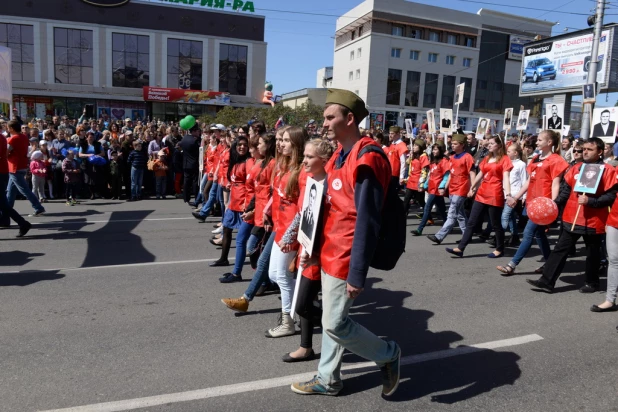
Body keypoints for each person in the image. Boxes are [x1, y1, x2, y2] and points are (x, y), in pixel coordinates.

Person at [291, 89, 400, 398]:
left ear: (349, 119)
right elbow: (326, 205)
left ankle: (388, 353)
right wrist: (311, 251)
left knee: (336, 324)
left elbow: (367, 219)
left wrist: (357, 272)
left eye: (330, 117)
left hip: (345, 253)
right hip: (328, 249)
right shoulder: (340, 152)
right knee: (330, 320)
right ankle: (329, 378)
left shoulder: (368, 157)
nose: (323, 124)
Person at [526, 137, 617, 293]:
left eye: (590, 149)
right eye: (584, 149)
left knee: (592, 254)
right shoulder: (576, 168)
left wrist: (591, 201)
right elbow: (565, 191)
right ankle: (546, 281)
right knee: (560, 249)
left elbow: (611, 196)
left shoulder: (608, 170)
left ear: (600, 152)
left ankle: (592, 283)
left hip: (594, 221)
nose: (585, 152)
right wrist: (554, 204)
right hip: (571, 217)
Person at [265, 126, 307, 338]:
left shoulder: (302, 172)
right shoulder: (283, 165)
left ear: (297, 144)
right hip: (279, 228)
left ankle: (288, 320)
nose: (280, 144)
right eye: (280, 140)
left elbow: (302, 210)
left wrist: (290, 235)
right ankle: (306, 303)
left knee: (281, 275)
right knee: (274, 274)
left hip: (291, 232)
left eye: (286, 140)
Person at [446, 135, 513, 258]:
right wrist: (472, 187)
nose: (489, 145)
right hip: (482, 193)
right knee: (471, 221)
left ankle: (500, 249)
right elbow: (481, 174)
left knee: (496, 224)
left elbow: (506, 178)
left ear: (499, 145)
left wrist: (508, 194)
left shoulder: (504, 159)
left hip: (495, 194)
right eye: (489, 143)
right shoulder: (487, 158)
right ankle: (460, 248)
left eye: (492, 143)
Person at [209, 135, 250, 270]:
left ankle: (255, 268)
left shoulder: (249, 162)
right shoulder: (235, 160)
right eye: (239, 145)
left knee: (245, 238)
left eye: (245, 145)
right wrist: (230, 185)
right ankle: (223, 258)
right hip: (234, 201)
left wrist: (247, 204)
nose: (242, 147)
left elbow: (250, 185)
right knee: (226, 229)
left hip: (243, 202)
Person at [427, 134, 475, 244]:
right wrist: (444, 187)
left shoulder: (467, 157)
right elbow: (450, 175)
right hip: (453, 189)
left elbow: (472, 173)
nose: (452, 146)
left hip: (461, 189)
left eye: (455, 144)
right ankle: (467, 236)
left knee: (452, 214)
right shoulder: (452, 157)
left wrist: (472, 188)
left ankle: (439, 236)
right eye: (452, 144)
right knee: (460, 215)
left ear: (462, 145)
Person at [590, 171, 618, 315]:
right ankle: (610, 300)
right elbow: (612, 195)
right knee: (613, 261)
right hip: (614, 220)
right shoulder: (616, 170)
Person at [4, 120, 45, 218]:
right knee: (10, 191)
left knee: (24, 190)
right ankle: (7, 211)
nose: (7, 130)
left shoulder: (13, 139)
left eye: (8, 128)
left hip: (15, 167)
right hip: (21, 165)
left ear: (12, 129)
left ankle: (38, 207)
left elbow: (6, 153)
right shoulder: (23, 137)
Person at [411, 143, 449, 236]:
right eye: (433, 149)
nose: (433, 151)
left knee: (427, 208)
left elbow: (446, 176)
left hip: (437, 189)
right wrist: (424, 185)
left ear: (440, 150)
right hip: (431, 188)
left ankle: (420, 229)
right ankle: (448, 225)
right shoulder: (433, 161)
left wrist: (441, 186)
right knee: (442, 210)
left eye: (436, 149)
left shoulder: (444, 161)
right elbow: (430, 176)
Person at [0, 126, 31, 236]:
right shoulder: (3, 137)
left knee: (3, 204)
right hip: (3, 171)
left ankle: (22, 223)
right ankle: (8, 221)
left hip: (1, 171)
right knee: (3, 203)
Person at [402, 139, 428, 216]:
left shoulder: (423, 157)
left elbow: (424, 171)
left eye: (416, 146)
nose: (413, 147)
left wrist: (421, 184)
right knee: (406, 200)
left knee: (421, 201)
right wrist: (410, 156)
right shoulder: (413, 155)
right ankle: (403, 215)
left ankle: (428, 217)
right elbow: (407, 164)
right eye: (413, 145)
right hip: (411, 181)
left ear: (420, 147)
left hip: (417, 183)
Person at [179, 123, 201, 204]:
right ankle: (196, 197)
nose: (198, 132)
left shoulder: (184, 139)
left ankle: (186, 198)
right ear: (194, 131)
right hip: (194, 163)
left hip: (185, 163)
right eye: (197, 131)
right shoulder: (195, 140)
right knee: (195, 181)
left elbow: (179, 146)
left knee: (186, 181)